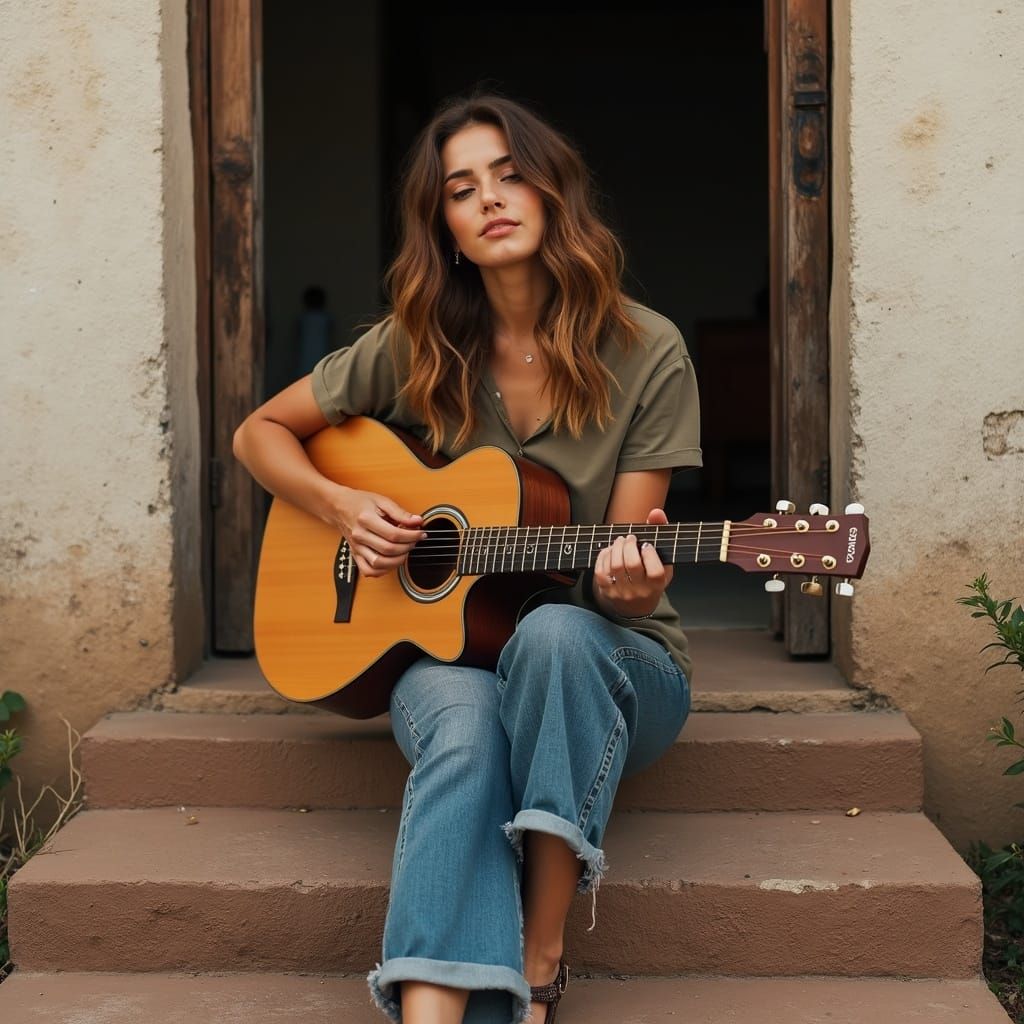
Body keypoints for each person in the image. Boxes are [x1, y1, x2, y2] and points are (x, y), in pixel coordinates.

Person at [233, 93, 701, 1024]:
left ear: (554, 193)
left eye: (510, 174)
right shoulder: (419, 344)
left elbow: (628, 579)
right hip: (445, 654)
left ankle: (538, 957)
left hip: (613, 665)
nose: (489, 198)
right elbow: (260, 433)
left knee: (560, 636)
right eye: (461, 187)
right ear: (442, 225)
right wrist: (345, 502)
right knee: (463, 721)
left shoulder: (649, 351)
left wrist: (629, 584)